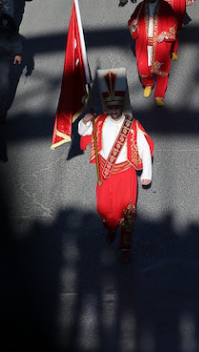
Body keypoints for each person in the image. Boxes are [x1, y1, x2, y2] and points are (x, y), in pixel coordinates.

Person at [77, 68, 153, 262]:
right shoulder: (99, 121)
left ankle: (125, 248)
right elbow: (83, 132)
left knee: (128, 212)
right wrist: (85, 121)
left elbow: (144, 148)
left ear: (121, 107)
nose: (114, 111)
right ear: (107, 108)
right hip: (105, 173)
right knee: (105, 209)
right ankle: (111, 228)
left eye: (116, 107)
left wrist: (146, 172)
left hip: (126, 174)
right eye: (110, 107)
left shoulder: (132, 124)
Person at [128, 0, 179, 106]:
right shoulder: (140, 7)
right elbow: (132, 21)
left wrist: (165, 34)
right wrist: (133, 25)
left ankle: (159, 95)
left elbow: (173, 23)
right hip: (144, 45)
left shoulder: (165, 7)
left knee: (161, 70)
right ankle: (148, 84)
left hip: (159, 45)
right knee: (143, 68)